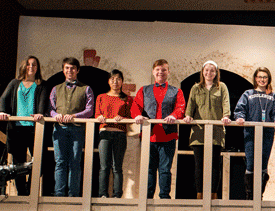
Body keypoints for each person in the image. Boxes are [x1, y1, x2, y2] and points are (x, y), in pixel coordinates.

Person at [131, 59, 185, 199]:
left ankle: (164, 198)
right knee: (149, 169)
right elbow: (135, 106)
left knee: (165, 170)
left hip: (168, 136)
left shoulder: (176, 91)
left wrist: (174, 115)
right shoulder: (144, 90)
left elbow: (180, 107)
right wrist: (137, 115)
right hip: (149, 136)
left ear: (168, 72)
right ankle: (147, 198)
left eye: (164, 70)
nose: (160, 72)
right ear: (153, 72)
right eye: (158, 70)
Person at [0, 55, 47, 196]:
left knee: (40, 162)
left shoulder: (42, 84)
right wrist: (2, 112)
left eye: (34, 64)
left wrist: (40, 113)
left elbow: (43, 104)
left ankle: (30, 190)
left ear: (38, 68)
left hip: (34, 130)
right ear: (24, 67)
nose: (31, 67)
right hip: (16, 129)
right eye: (29, 64)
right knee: (18, 165)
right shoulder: (14, 83)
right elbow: (2, 100)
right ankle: (22, 194)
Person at [184, 60, 231, 200]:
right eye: (206, 70)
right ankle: (200, 194)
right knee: (199, 165)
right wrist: (188, 115)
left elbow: (226, 103)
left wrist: (226, 116)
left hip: (216, 132)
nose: (209, 73)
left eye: (212, 70)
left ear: (216, 73)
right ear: (202, 72)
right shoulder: (196, 88)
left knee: (215, 164)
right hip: (199, 132)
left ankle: (213, 194)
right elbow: (190, 105)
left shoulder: (221, 87)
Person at [234, 67, 275, 199]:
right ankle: (250, 195)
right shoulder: (248, 94)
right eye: (260, 77)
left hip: (267, 133)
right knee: (250, 163)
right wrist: (240, 117)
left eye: (265, 77)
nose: (262, 79)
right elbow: (240, 109)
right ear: (255, 78)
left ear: (268, 79)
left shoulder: (272, 96)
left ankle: (259, 195)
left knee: (263, 163)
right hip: (251, 132)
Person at [49, 57, 94, 197]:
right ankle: (59, 194)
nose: (70, 71)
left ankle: (73, 195)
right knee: (60, 162)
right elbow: (50, 108)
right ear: (63, 70)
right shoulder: (56, 89)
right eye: (67, 68)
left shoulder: (86, 88)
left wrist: (74, 116)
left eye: (73, 68)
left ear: (77, 70)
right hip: (59, 129)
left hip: (77, 129)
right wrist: (55, 115)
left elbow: (90, 110)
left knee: (75, 162)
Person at [94, 70, 131, 198]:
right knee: (104, 166)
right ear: (108, 81)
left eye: (118, 79)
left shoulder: (126, 98)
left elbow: (130, 117)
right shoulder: (101, 97)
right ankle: (103, 194)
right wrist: (99, 117)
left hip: (120, 134)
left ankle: (117, 195)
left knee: (117, 167)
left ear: (122, 81)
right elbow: (97, 114)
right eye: (112, 79)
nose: (115, 82)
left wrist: (123, 118)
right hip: (105, 133)